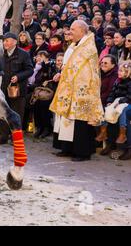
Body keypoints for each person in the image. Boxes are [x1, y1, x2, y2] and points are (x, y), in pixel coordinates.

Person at [50, 20, 104, 162]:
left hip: (84, 90)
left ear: (81, 31)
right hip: (70, 87)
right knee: (68, 119)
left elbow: (82, 68)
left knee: (80, 121)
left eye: (73, 30)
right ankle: (68, 148)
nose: (70, 32)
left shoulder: (88, 47)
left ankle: (82, 152)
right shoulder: (76, 45)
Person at [0, 32, 34, 145]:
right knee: (1, 113)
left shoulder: (24, 54)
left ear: (15, 42)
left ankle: (15, 138)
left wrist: (18, 77)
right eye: (4, 41)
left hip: (17, 90)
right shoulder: (0, 53)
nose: (4, 43)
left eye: (7, 40)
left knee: (16, 114)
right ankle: (2, 136)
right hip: (2, 88)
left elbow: (30, 70)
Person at [96, 61, 131, 144]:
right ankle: (103, 131)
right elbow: (112, 93)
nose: (118, 72)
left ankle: (122, 133)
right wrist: (109, 101)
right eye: (119, 70)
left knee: (122, 112)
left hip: (127, 103)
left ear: (128, 73)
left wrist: (121, 101)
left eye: (121, 71)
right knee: (107, 109)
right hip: (117, 101)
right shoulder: (117, 81)